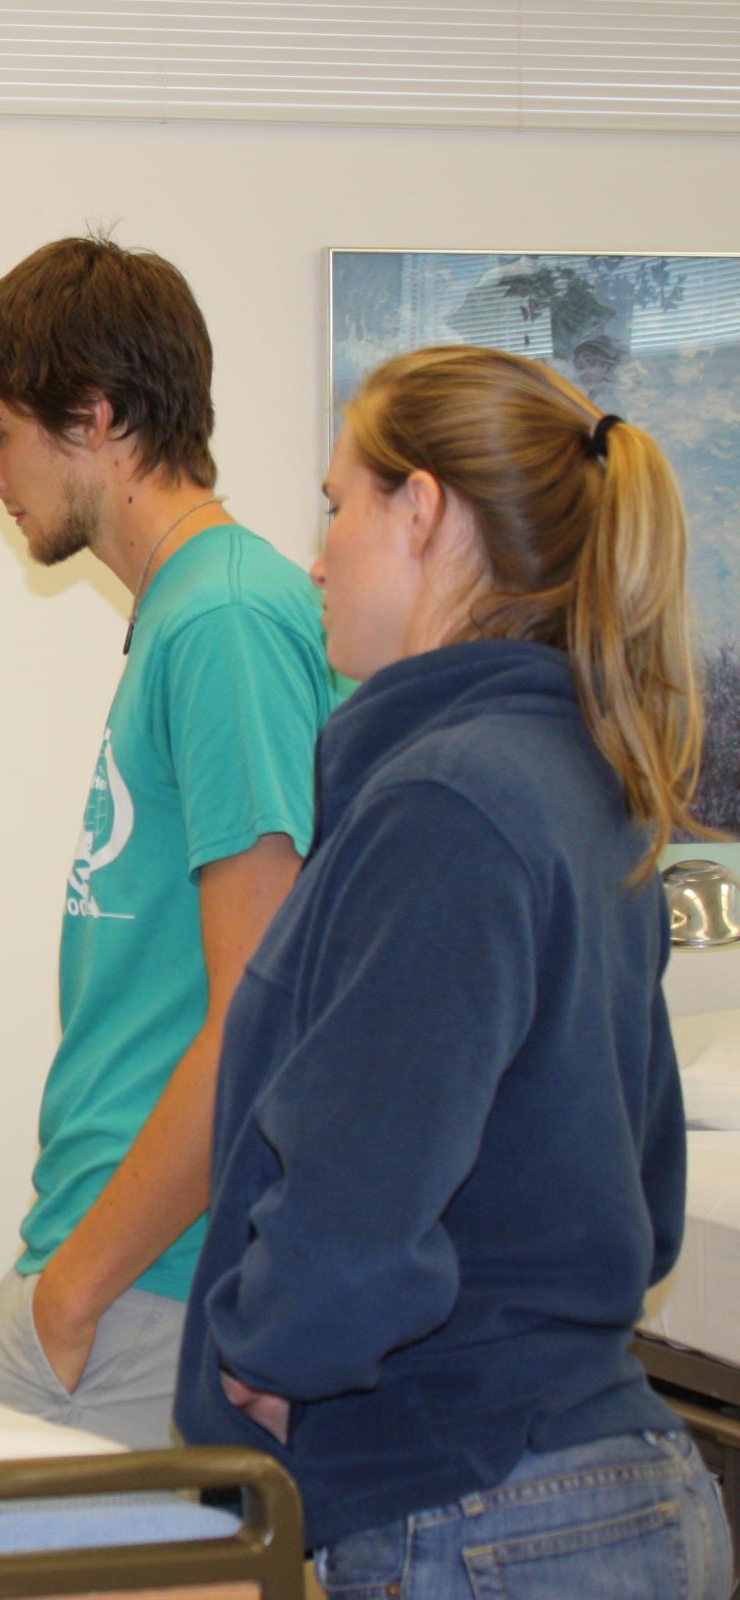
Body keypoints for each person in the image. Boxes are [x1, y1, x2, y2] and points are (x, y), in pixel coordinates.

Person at [177, 346, 734, 1597]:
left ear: (420, 510)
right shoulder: (583, 787)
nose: (317, 557)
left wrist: (268, 1352)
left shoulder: (447, 801)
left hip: (484, 1507)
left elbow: (356, 1209)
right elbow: (643, 1207)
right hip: (615, 1491)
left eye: (335, 506)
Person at [0, 235, 335, 1448]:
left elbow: (260, 1012)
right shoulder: (187, 614)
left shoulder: (226, 618)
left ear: (96, 418)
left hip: (149, 1283)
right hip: (118, 1270)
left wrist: (76, 1292)